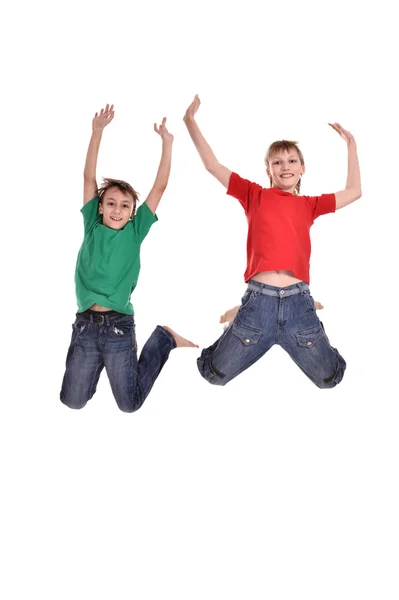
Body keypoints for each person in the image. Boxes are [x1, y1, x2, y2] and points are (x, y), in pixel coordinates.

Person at [183, 95, 361, 389]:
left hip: (297, 301)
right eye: (277, 162)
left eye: (292, 161)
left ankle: (309, 316)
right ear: (268, 170)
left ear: (303, 168)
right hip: (259, 302)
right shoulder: (254, 195)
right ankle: (239, 313)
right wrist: (191, 122)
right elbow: (213, 165)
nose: (285, 166)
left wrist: (351, 145)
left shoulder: (310, 204)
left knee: (330, 379)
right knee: (212, 374)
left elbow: (354, 191)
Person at [60, 104, 197, 412]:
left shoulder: (135, 232)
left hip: (119, 326)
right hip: (85, 325)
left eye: (124, 206)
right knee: (72, 401)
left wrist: (167, 143)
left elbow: (159, 187)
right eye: (110, 203)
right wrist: (97, 133)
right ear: (99, 206)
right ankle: (95, 364)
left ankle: (164, 339)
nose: (117, 209)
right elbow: (87, 177)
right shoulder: (91, 225)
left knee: (129, 404)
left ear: (132, 213)